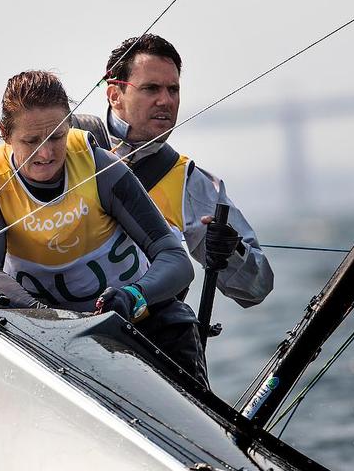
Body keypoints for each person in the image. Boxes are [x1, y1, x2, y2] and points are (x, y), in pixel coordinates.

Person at [0, 70, 209, 384]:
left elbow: (176, 260)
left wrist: (132, 296)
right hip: (53, 344)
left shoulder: (100, 168)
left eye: (56, 136)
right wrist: (51, 317)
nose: (46, 153)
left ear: (69, 125)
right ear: (5, 134)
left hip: (146, 330)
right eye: (31, 140)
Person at [71, 34, 273, 308]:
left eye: (173, 90)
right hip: (46, 328)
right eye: (151, 89)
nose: (165, 101)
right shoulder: (62, 146)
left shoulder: (190, 183)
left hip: (137, 337)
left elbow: (256, 289)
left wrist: (231, 251)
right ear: (114, 95)